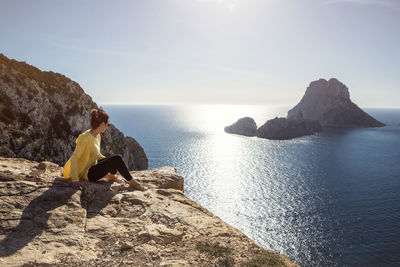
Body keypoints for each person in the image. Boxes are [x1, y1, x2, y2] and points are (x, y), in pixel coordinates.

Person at [62, 108, 146, 191]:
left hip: (92, 166)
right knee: (116, 159)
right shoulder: (85, 138)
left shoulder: (97, 136)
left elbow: (97, 155)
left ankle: (111, 177)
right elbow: (75, 158)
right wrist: (75, 180)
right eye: (107, 124)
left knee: (114, 158)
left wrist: (109, 162)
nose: (108, 126)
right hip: (87, 173)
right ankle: (132, 182)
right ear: (102, 124)